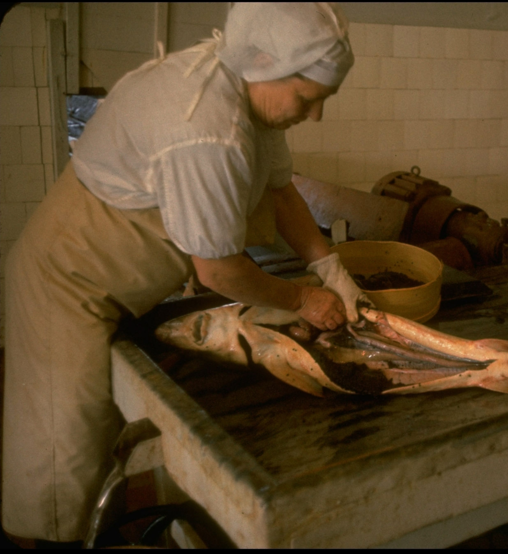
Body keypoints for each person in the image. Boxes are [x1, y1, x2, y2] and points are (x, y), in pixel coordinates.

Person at [2, 2, 363, 544]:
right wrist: (304, 300)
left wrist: (328, 265)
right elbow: (218, 270)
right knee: (63, 455)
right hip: (67, 279)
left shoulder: (251, 92)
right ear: (267, 64)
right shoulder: (207, 128)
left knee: (100, 439)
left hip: (126, 280)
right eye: (309, 99)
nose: (314, 116)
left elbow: (280, 189)